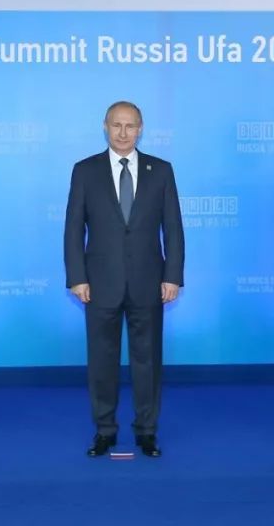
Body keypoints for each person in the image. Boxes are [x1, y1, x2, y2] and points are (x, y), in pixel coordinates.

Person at [64, 101, 184, 458]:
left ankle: (147, 431)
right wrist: (77, 277)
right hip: (99, 283)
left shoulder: (160, 170)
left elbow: (173, 228)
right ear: (105, 126)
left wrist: (172, 276)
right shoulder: (85, 170)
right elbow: (73, 229)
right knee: (102, 362)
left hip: (149, 282)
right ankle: (105, 430)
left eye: (130, 126)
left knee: (148, 362)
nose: (123, 132)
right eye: (116, 125)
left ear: (140, 129)